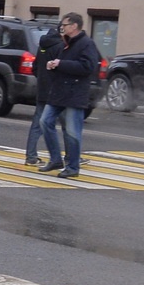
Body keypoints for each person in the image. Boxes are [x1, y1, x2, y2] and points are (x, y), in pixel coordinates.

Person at [44, 12, 100, 178]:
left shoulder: (86, 43)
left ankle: (73, 167)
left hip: (75, 94)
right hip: (60, 92)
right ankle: (55, 159)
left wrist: (61, 63)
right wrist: (53, 65)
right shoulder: (67, 43)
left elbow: (88, 67)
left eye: (65, 25)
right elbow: (65, 65)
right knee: (45, 121)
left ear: (74, 26)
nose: (62, 27)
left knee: (73, 132)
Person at [25, 22, 65, 167]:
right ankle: (71, 157)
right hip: (57, 92)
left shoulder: (43, 45)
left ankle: (31, 156)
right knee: (68, 125)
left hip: (42, 90)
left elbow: (35, 68)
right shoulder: (61, 46)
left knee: (37, 124)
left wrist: (43, 80)